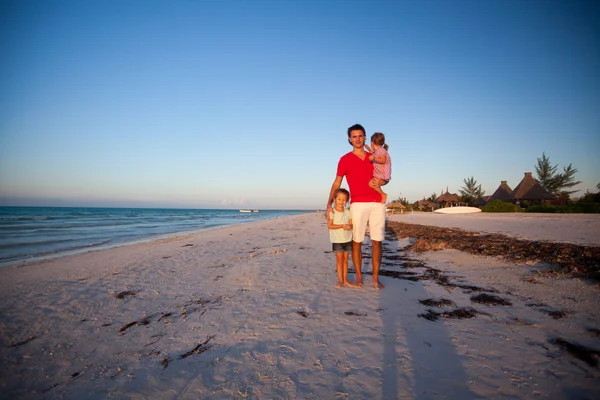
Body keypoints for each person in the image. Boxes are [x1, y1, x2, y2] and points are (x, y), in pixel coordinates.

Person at [326, 123, 386, 289]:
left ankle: (375, 277)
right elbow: (337, 182)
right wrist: (328, 204)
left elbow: (386, 176)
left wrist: (382, 182)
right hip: (357, 203)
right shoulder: (345, 159)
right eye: (354, 136)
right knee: (357, 241)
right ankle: (359, 276)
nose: (358, 139)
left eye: (360, 136)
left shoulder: (373, 157)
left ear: (365, 137)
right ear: (349, 139)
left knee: (377, 241)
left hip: (376, 203)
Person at [327, 188, 356, 288]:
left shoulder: (348, 212)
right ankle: (340, 280)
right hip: (337, 240)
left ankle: (345, 279)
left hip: (348, 239)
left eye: (344, 200)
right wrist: (342, 226)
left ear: (347, 201)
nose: (341, 202)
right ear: (334, 199)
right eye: (339, 199)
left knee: (346, 260)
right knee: (339, 260)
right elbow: (330, 226)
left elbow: (351, 224)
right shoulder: (332, 212)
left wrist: (349, 226)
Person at [365, 132, 391, 204]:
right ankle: (382, 194)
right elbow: (375, 154)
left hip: (383, 174)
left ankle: (383, 194)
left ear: (372, 142)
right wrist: (369, 150)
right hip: (380, 174)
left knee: (372, 183)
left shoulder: (382, 150)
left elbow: (383, 160)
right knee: (371, 183)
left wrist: (374, 159)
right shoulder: (377, 151)